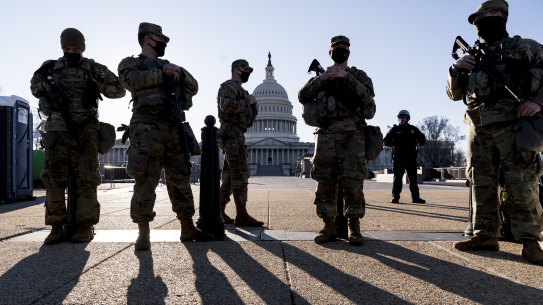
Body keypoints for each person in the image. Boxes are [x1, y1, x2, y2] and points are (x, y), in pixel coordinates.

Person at [447, 0, 543, 265]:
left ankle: (530, 242)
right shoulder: (471, 56)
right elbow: (454, 94)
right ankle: (485, 235)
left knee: (522, 183)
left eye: (488, 15)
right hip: (477, 127)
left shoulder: (526, 47)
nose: (481, 22)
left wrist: (537, 102)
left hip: (515, 123)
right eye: (478, 18)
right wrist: (456, 69)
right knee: (481, 183)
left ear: (502, 16)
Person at [118, 22, 213, 251]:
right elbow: (130, 81)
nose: (163, 43)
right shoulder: (131, 63)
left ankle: (187, 226)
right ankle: (143, 232)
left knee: (180, 179)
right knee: (145, 180)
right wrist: (161, 73)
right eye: (159, 38)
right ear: (146, 39)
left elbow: (194, 85)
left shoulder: (170, 65)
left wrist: (178, 70)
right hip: (146, 129)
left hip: (173, 129)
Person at [30, 28, 126, 244]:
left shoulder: (92, 68)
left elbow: (119, 90)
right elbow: (34, 86)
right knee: (54, 179)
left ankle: (85, 225)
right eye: (66, 48)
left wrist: (97, 84)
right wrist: (45, 86)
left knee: (87, 178)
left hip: (85, 129)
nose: (70, 52)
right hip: (57, 130)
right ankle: (56, 227)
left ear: (82, 47)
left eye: (75, 48)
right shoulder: (50, 67)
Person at [298, 35, 375, 246]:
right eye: (336, 49)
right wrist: (322, 79)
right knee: (325, 182)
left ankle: (354, 228)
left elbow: (369, 97)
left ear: (348, 53)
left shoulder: (358, 75)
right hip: (326, 135)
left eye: (343, 49)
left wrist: (346, 77)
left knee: (353, 182)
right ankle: (328, 225)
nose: (340, 52)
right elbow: (302, 96)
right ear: (330, 53)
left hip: (352, 136)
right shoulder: (322, 77)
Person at [217, 59, 264, 227]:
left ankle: (219, 210)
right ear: (236, 69)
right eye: (246, 69)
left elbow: (249, 120)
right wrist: (247, 102)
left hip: (238, 133)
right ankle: (241, 214)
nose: (248, 73)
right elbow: (226, 106)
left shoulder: (243, 91)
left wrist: (253, 106)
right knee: (240, 174)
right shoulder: (229, 87)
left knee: (230, 177)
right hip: (230, 133)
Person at [383, 110, 426, 204]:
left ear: (407, 118)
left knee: (413, 178)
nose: (402, 119)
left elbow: (422, 138)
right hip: (398, 158)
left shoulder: (413, 129)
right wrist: (394, 143)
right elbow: (386, 141)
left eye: (404, 117)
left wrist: (419, 143)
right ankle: (395, 197)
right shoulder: (394, 129)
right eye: (400, 117)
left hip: (411, 158)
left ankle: (415, 197)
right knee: (397, 178)